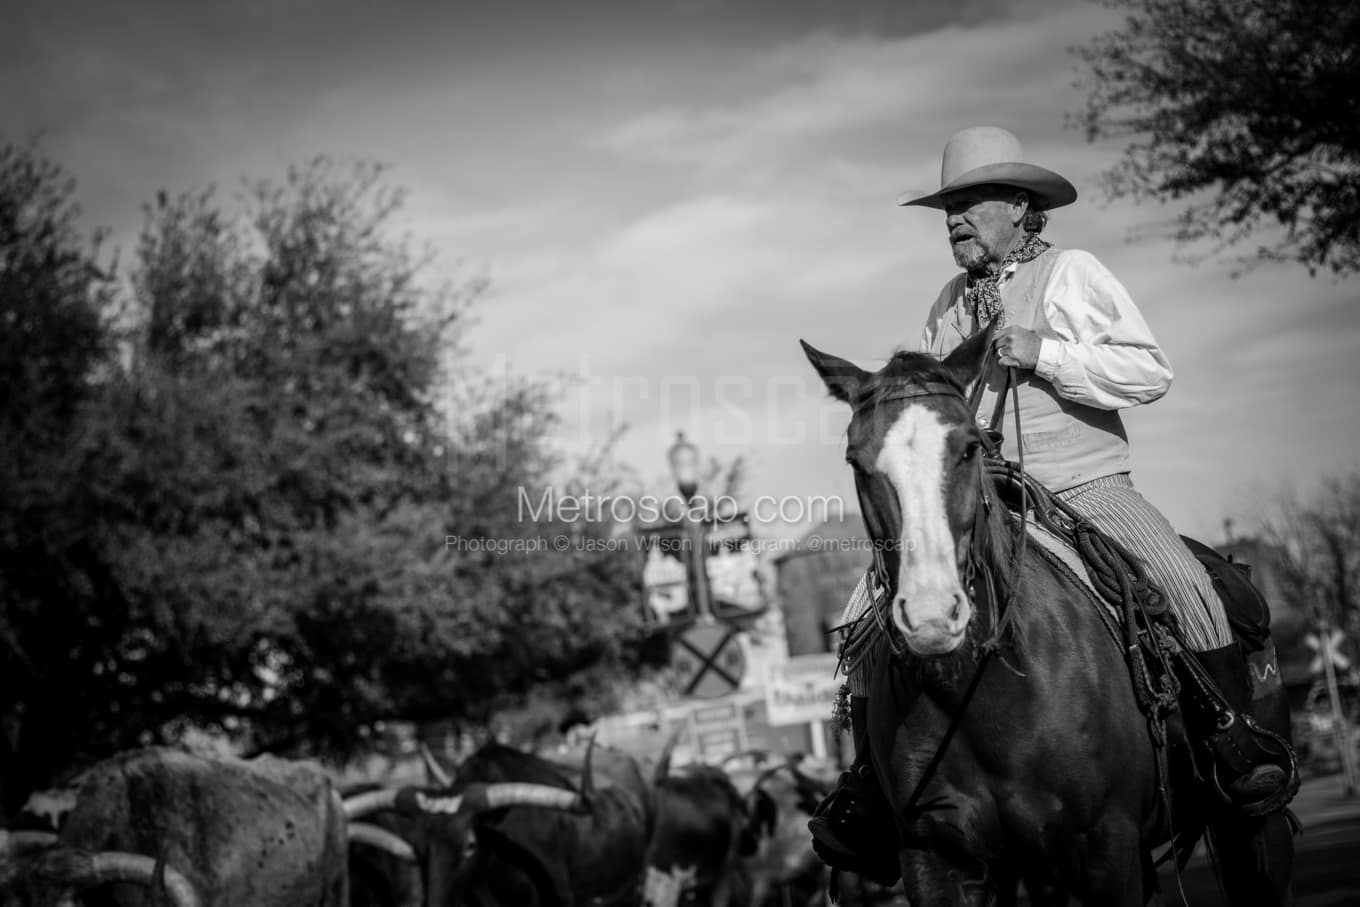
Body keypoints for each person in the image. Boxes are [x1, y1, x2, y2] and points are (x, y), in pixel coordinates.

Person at [807, 126, 1292, 883]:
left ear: (1021, 205)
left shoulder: (1073, 273)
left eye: (968, 203)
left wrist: (1047, 354)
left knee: (1189, 585)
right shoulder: (946, 304)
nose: (953, 219)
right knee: (867, 610)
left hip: (1088, 487)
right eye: (948, 207)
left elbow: (1148, 369)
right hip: (987, 498)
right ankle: (871, 786)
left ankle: (1233, 745)